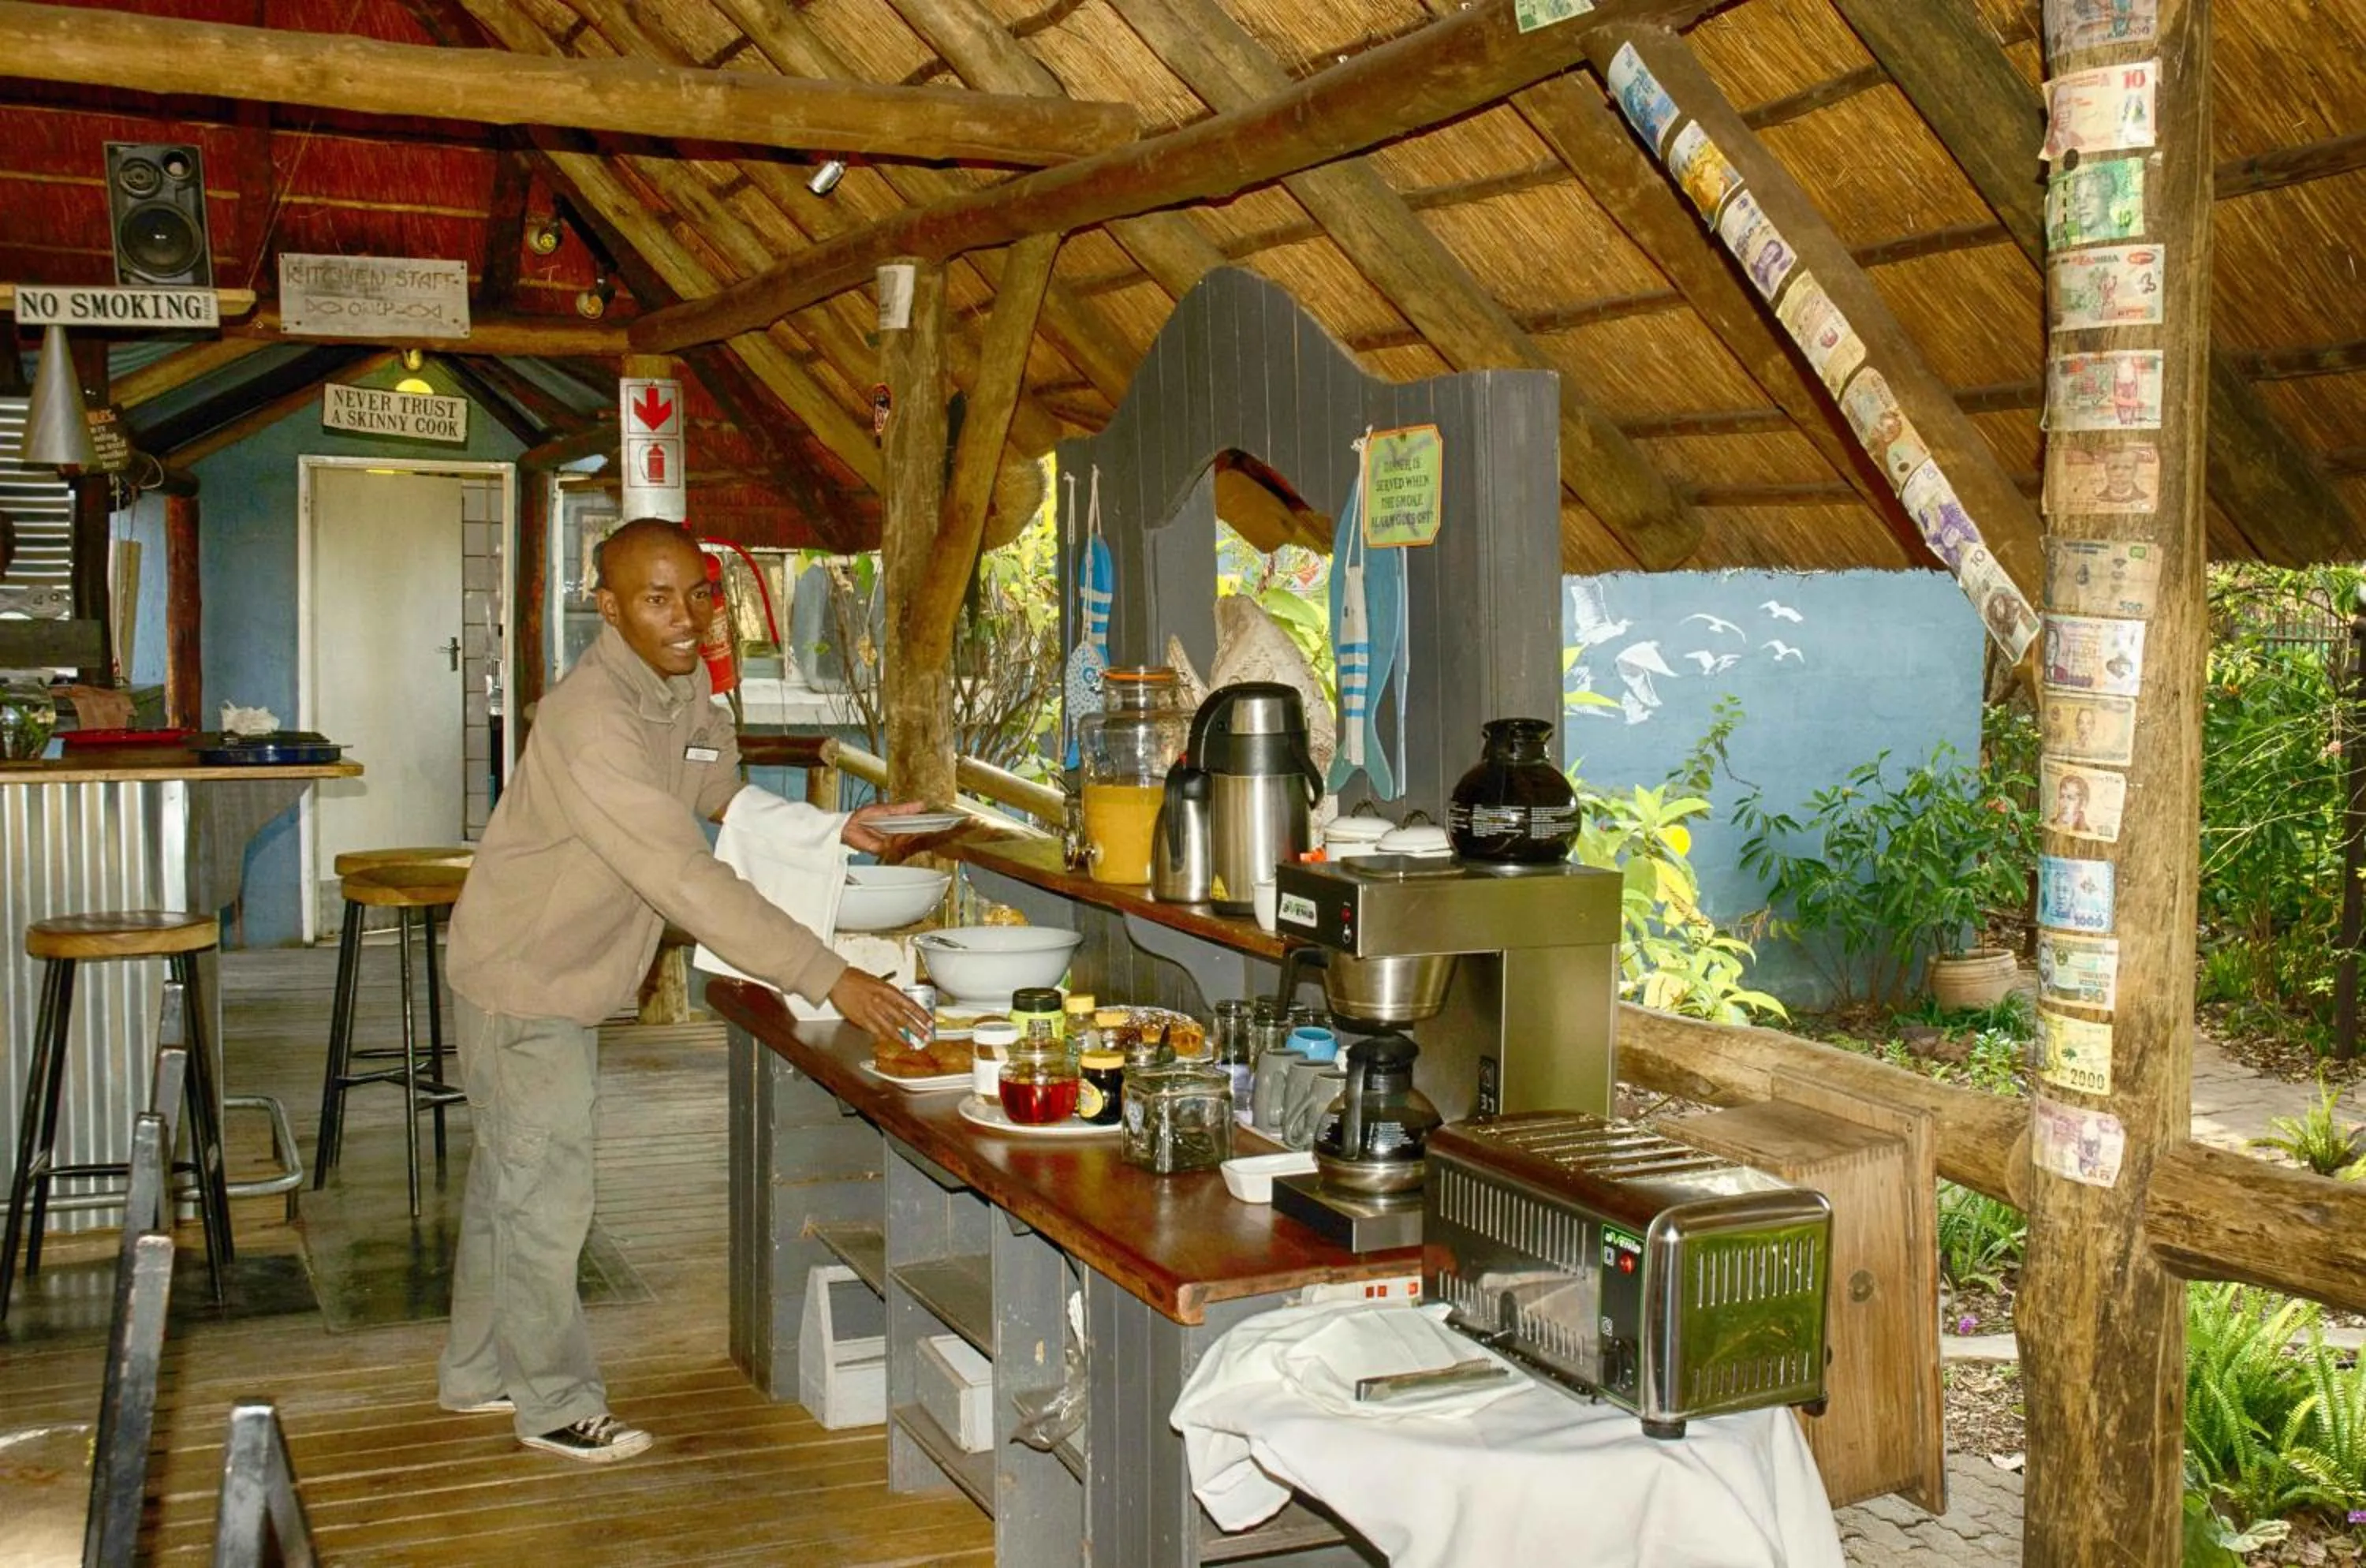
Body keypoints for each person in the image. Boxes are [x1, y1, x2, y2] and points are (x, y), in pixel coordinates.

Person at [437, 518, 932, 1464]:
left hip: (564, 971)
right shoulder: (588, 719)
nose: (684, 615)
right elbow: (684, 875)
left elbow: (719, 797)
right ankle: (552, 1403)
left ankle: (475, 1369)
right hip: (524, 972)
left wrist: (840, 832)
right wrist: (831, 975)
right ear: (609, 606)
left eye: (698, 593)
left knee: (515, 1176)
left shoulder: (685, 688)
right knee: (547, 1193)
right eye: (656, 599)